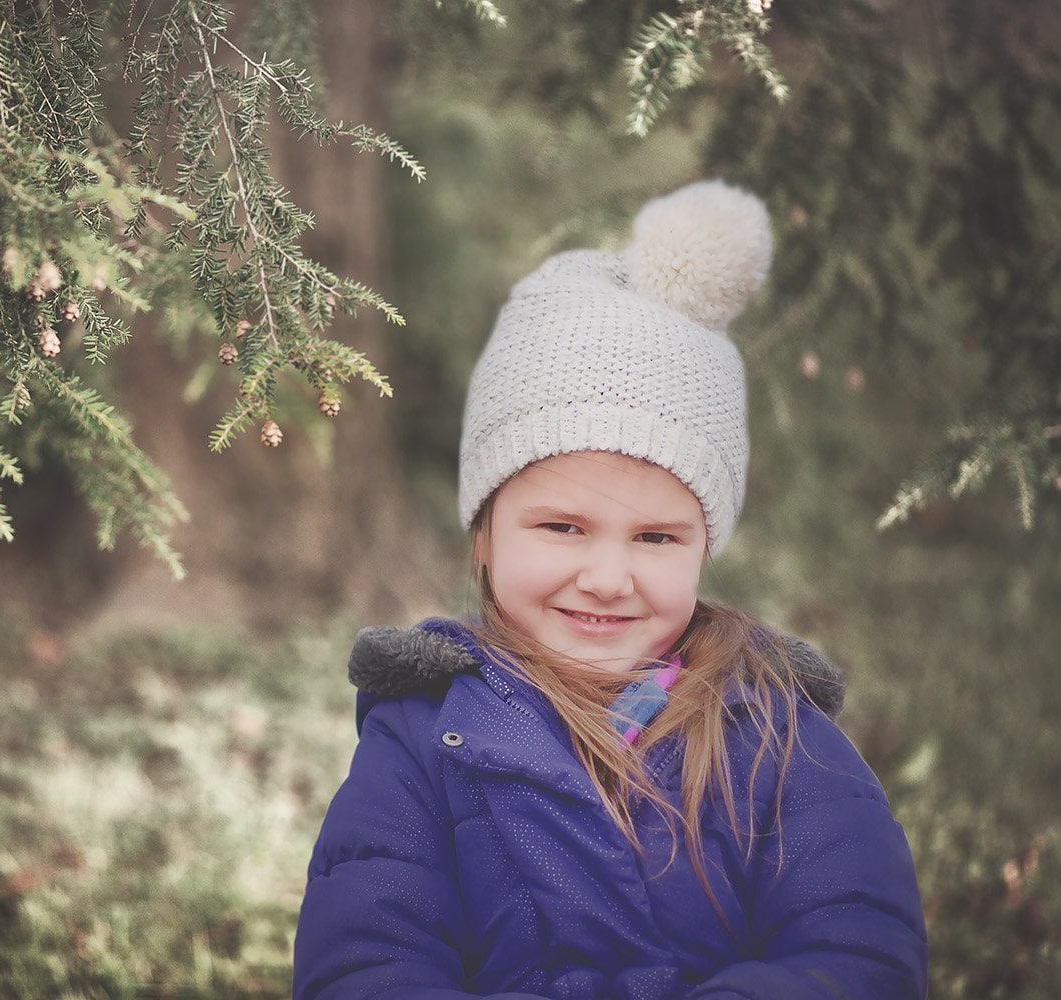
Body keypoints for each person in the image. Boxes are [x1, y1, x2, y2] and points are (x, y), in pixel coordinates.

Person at [293, 181, 927, 999]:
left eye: (657, 537)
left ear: (704, 546)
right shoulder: (424, 733)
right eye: (562, 527)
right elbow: (366, 959)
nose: (606, 577)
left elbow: (859, 953)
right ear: (484, 536)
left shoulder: (775, 728)